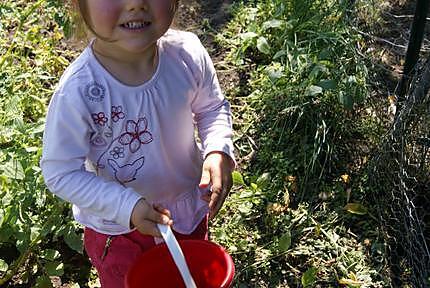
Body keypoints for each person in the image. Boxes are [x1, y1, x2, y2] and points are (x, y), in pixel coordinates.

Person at [40, 0, 235, 286]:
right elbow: (61, 172)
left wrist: (218, 149)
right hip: (120, 234)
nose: (135, 4)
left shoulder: (186, 54)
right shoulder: (80, 92)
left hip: (187, 216)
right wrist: (127, 207)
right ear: (79, 5)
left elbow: (212, 108)